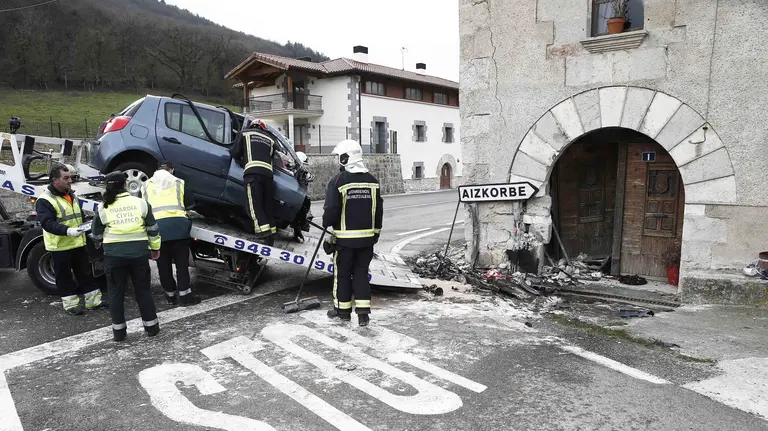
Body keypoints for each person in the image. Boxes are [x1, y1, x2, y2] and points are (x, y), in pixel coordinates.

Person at [91, 171, 162, 341]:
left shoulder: (103, 207)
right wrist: (155, 248)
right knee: (143, 291)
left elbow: (96, 234)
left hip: (114, 257)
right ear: (125, 184)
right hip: (139, 255)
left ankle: (119, 333)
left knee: (116, 294)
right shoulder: (141, 203)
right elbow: (152, 229)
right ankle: (151, 327)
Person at [322, 139, 383, 327]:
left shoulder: (339, 181)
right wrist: (375, 234)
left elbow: (331, 209)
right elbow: (378, 211)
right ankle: (363, 314)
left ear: (345, 158)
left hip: (345, 241)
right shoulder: (373, 181)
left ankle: (343, 312)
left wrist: (326, 225)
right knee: (361, 274)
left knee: (342, 275)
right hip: (367, 241)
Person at [36, 164, 104, 315]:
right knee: (65, 278)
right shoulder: (45, 200)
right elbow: (47, 223)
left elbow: (77, 217)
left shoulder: (71, 195)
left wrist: (88, 225)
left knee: (86, 273)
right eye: (65, 178)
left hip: (77, 242)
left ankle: (93, 302)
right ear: (55, 180)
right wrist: (69, 231)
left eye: (70, 177)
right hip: (60, 246)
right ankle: (71, 306)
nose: (69, 180)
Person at [140, 160, 200, 307]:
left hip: (158, 230)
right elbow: (190, 203)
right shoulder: (179, 182)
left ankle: (170, 297)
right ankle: (186, 298)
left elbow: (143, 208)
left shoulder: (145, 185)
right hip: (179, 229)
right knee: (181, 265)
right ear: (171, 170)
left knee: (163, 266)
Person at [229, 117, 276, 244]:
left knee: (253, 204)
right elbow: (272, 157)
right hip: (268, 175)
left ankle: (263, 232)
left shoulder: (244, 133)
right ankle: (271, 232)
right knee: (266, 205)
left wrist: (242, 161)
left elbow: (235, 152)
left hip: (252, 173)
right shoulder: (271, 139)